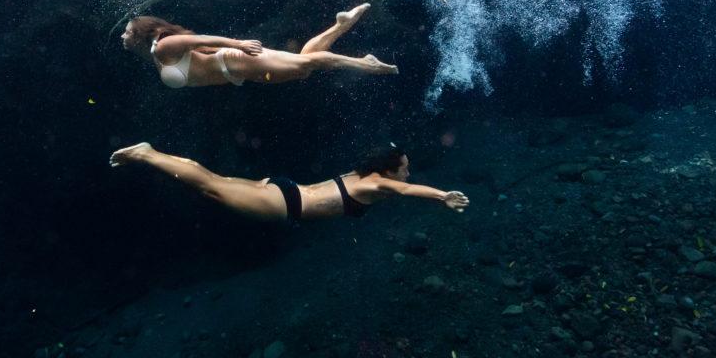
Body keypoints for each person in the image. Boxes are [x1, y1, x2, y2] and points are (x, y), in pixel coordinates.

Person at [108, 142, 469, 223]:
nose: (406, 174)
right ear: (389, 170)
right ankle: (146, 154)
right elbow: (406, 190)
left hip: (284, 189)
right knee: (209, 186)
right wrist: (442, 197)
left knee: (212, 180)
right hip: (286, 204)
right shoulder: (377, 184)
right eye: (403, 168)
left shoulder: (363, 174)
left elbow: (402, 187)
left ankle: (150, 153)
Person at [120, 3, 398, 89]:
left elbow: (201, 40)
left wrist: (238, 44)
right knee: (302, 66)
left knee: (305, 65)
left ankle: (365, 63)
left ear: (141, 34)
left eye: (127, 31)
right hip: (236, 69)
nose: (122, 35)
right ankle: (341, 24)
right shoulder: (154, 53)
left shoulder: (163, 47)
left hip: (236, 60)